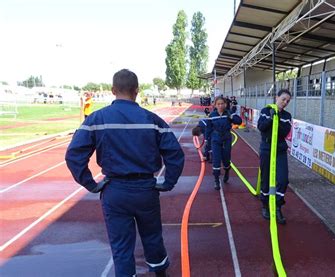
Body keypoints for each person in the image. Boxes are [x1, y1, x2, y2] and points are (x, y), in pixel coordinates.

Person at [65, 69, 185, 277]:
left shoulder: (97, 118)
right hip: (146, 190)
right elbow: (175, 154)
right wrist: (167, 182)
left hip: (115, 191)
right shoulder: (152, 120)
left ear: (113, 90)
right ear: (137, 91)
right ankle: (160, 274)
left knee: (121, 248)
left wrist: (91, 184)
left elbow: (74, 156)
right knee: (153, 238)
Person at [257, 89, 292, 225]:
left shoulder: (287, 115)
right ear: (276, 97)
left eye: (288, 101)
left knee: (283, 179)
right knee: (266, 178)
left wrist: (278, 117)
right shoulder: (266, 111)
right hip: (266, 148)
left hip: (280, 150)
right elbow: (262, 127)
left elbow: (284, 132)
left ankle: (277, 206)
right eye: (283, 99)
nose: (285, 102)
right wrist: (272, 118)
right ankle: (265, 205)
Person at [207, 96, 242, 190]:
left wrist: (231, 116)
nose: (220, 105)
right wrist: (207, 143)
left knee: (226, 159)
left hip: (226, 138)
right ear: (215, 105)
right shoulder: (212, 115)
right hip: (215, 139)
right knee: (216, 160)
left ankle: (227, 171)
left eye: (222, 103)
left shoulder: (229, 113)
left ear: (225, 104)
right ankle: (216, 179)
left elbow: (239, 121)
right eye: (218, 104)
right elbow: (208, 129)